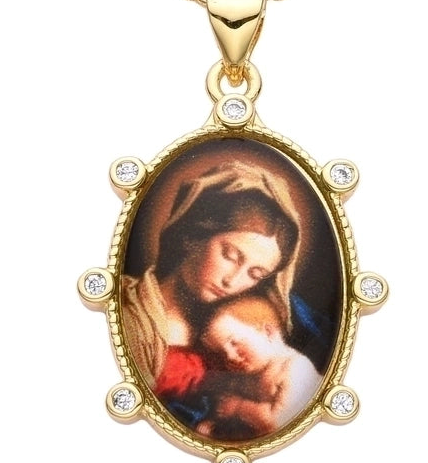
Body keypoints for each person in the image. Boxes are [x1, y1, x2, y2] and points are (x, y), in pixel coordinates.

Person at [120, 161, 302, 389]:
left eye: (255, 274)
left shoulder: (239, 333)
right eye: (230, 256)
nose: (232, 281)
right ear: (193, 237)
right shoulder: (129, 314)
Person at [194, 296, 323, 439]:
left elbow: (280, 423)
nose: (230, 356)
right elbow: (230, 413)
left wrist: (238, 407)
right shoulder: (244, 376)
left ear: (268, 332)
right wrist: (215, 427)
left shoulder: (296, 367)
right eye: (221, 354)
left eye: (234, 343)